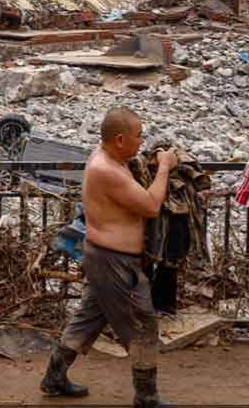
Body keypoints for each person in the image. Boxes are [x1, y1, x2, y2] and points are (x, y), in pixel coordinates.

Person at [40, 107, 178, 408]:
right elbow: (151, 205)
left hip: (103, 257)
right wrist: (165, 167)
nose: (142, 141)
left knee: (88, 318)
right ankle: (147, 397)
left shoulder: (109, 158)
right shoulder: (107, 169)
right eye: (138, 136)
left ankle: (54, 377)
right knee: (144, 325)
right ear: (119, 139)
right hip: (114, 261)